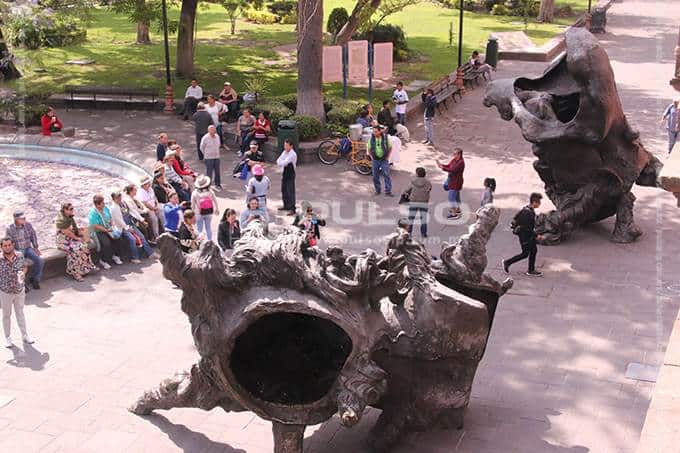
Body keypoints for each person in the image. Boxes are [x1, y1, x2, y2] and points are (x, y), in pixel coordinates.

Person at [1, 237, 33, 348]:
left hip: (19, 290)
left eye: (9, 245)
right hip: (5, 292)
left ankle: (24, 335)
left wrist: (23, 273)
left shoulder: (19, 255)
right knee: (6, 315)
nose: (7, 247)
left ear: (13, 245)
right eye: (5, 245)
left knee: (20, 313)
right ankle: (7, 337)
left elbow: (24, 267)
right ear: (1, 247)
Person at [502, 193, 544, 277]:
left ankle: (531, 270)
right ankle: (507, 262)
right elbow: (527, 229)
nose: (540, 204)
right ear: (534, 202)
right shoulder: (528, 213)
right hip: (525, 237)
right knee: (525, 254)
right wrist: (536, 236)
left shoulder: (527, 209)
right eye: (539, 202)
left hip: (529, 236)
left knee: (534, 250)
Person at [56, 202, 97, 282]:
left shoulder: (70, 217)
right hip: (63, 241)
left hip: (70, 239)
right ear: (64, 210)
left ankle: (86, 268)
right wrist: (77, 238)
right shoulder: (61, 220)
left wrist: (80, 232)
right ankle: (75, 272)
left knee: (84, 247)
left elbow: (74, 228)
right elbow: (67, 232)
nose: (72, 210)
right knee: (75, 251)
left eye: (72, 208)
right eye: (70, 209)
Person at [109, 191, 154, 264]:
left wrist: (141, 220)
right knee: (132, 239)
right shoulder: (113, 208)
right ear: (113, 199)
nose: (119, 199)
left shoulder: (124, 203)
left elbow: (132, 211)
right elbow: (119, 220)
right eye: (117, 198)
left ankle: (150, 253)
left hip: (130, 223)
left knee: (141, 237)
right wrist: (127, 228)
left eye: (120, 197)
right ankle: (134, 257)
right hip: (122, 227)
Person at [6, 211, 43, 291]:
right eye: (22, 218)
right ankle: (22, 283)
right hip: (17, 250)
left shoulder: (28, 225)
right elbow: (8, 243)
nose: (24, 219)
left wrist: (36, 247)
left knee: (40, 260)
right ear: (16, 219)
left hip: (28, 248)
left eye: (24, 217)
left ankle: (35, 279)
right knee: (20, 264)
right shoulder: (9, 228)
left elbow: (33, 235)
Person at [88, 194, 123, 269]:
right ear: (97, 205)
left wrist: (112, 224)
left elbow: (110, 217)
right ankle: (103, 260)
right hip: (99, 231)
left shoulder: (105, 208)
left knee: (118, 238)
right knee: (106, 243)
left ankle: (115, 256)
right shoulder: (93, 213)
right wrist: (106, 230)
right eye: (102, 203)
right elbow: (95, 225)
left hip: (108, 228)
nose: (104, 204)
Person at [403, 167, 431, 238]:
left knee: (411, 218)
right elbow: (429, 189)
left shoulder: (413, 182)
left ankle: (409, 233)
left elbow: (407, 190)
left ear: (417, 174)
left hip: (414, 202)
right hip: (424, 202)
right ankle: (424, 233)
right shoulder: (428, 182)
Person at [438, 148, 465, 219]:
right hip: (452, 181)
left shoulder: (461, 163)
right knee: (456, 197)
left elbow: (453, 170)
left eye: (455, 154)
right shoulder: (454, 160)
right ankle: (458, 209)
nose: (453, 155)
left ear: (459, 154)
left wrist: (443, 168)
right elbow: (449, 166)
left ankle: (454, 213)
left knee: (451, 198)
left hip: (456, 182)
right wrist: (442, 165)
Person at [191, 175, 219, 241]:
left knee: (199, 229)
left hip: (199, 213)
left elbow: (192, 205)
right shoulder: (210, 191)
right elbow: (215, 200)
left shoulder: (195, 193)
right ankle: (210, 241)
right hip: (209, 211)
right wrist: (217, 208)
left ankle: (200, 242)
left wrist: (193, 213)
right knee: (208, 228)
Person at [368, 125, 393, 196]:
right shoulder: (371, 139)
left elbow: (390, 147)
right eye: (373, 132)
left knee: (386, 175)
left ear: (380, 131)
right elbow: (369, 149)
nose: (374, 133)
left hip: (384, 160)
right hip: (375, 160)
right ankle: (377, 190)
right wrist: (372, 158)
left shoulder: (385, 138)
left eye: (376, 132)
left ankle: (388, 191)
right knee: (375, 176)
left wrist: (388, 157)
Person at [277, 139, 297, 215]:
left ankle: (292, 209)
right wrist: (282, 162)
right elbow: (278, 161)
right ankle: (286, 205)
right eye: (284, 145)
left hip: (290, 173)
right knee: (284, 189)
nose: (285, 147)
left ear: (291, 146)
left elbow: (285, 162)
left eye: (286, 145)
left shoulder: (293, 154)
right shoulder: (284, 152)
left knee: (290, 191)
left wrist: (282, 162)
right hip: (285, 172)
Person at [200, 125, 223, 191]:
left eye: (214, 129)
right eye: (211, 130)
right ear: (208, 130)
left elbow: (219, 145)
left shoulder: (217, 136)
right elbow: (201, 147)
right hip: (208, 158)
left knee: (217, 171)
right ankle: (208, 185)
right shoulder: (205, 137)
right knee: (209, 172)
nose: (213, 131)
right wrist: (205, 154)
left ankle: (217, 184)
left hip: (216, 156)